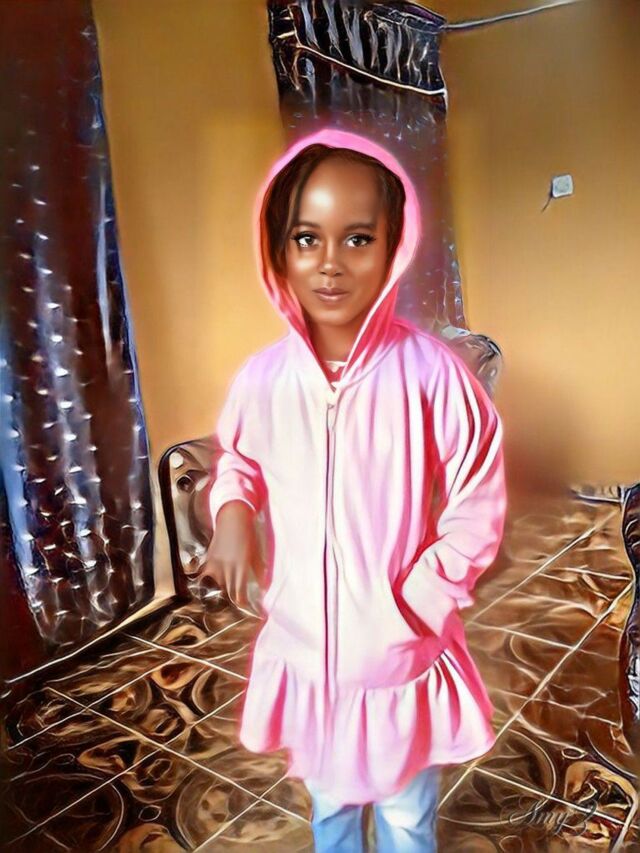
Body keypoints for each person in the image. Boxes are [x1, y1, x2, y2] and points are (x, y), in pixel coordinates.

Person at [202, 127, 508, 852]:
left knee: (405, 818)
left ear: (394, 246)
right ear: (278, 250)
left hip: (397, 655)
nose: (330, 263)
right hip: (305, 653)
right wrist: (233, 511)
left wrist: (419, 600)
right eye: (307, 238)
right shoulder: (263, 379)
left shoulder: (431, 374)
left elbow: (478, 497)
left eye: (358, 239)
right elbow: (238, 461)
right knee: (331, 810)